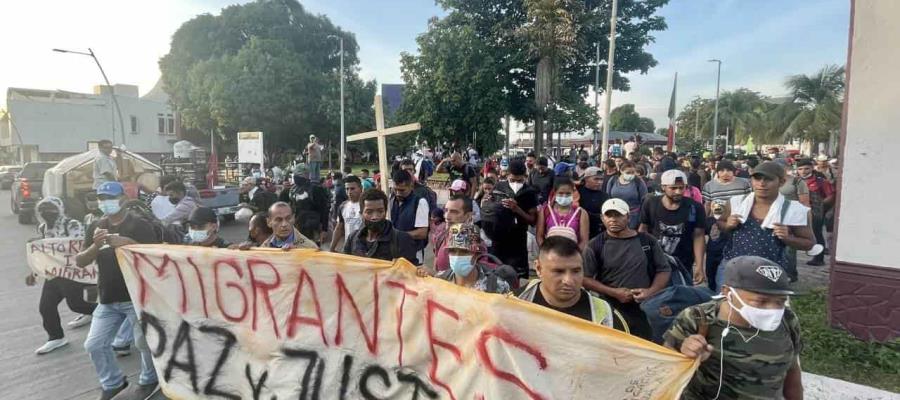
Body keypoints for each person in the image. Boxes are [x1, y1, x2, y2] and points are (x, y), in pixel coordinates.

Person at [664, 256, 803, 400]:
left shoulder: (787, 320)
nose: (772, 309)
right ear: (727, 292)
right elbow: (662, 369)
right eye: (761, 301)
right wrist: (685, 356)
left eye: (780, 302)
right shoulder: (696, 318)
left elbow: (792, 371)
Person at [75, 182, 159, 400]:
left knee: (144, 343)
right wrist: (95, 245)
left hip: (136, 296)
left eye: (110, 198)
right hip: (108, 297)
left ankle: (150, 379)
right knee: (94, 344)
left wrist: (128, 243)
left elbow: (155, 257)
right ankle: (113, 382)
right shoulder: (96, 226)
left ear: (122, 198)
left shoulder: (138, 224)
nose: (105, 203)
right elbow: (80, 261)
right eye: (101, 198)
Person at [715, 162, 816, 288]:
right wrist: (728, 225)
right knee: (726, 304)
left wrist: (788, 238)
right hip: (733, 268)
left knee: (764, 305)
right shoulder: (736, 203)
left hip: (769, 272)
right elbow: (720, 223)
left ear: (782, 182)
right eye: (757, 178)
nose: (762, 183)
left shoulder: (793, 209)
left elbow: (809, 243)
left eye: (768, 179)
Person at [582, 198, 671, 341]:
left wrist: (650, 291)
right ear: (602, 218)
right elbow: (585, 278)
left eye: (618, 215)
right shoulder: (595, 245)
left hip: (645, 308)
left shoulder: (647, 241)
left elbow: (663, 270)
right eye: (609, 215)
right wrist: (613, 292)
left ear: (628, 217)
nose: (613, 220)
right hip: (611, 309)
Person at [25, 197, 92, 354]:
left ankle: (113, 314)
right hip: (53, 274)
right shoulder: (42, 228)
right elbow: (44, 254)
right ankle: (56, 337)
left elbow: (79, 247)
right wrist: (34, 273)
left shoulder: (72, 225)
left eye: (50, 210)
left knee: (76, 305)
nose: (46, 213)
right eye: (42, 211)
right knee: (46, 307)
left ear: (59, 209)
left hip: (72, 272)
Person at [517, 235, 626, 330]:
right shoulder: (512, 305)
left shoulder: (607, 317)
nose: (568, 281)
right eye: (558, 271)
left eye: (576, 271)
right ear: (538, 268)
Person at [640, 170, 707, 285]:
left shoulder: (694, 207)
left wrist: (699, 266)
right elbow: (643, 230)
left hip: (683, 264)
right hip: (655, 263)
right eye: (673, 188)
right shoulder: (651, 203)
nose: (678, 191)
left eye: (682, 188)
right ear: (663, 187)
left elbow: (699, 236)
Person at [481, 159, 538, 279]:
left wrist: (517, 209)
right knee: (496, 276)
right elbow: (489, 208)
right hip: (498, 241)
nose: (516, 184)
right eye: (512, 180)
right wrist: (487, 203)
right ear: (507, 175)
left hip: (517, 242)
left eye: (519, 181)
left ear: (525, 177)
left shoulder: (530, 193)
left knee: (516, 278)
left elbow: (532, 221)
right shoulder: (499, 187)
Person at [344, 189, 418, 263]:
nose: (375, 217)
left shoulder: (402, 240)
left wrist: (421, 271)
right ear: (361, 214)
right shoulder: (353, 238)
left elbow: (411, 271)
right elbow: (344, 266)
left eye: (380, 211)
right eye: (369, 212)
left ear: (385, 212)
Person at [436, 223, 511, 294]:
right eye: (453, 251)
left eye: (464, 252)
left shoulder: (497, 287)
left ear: (476, 255)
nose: (457, 256)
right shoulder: (440, 280)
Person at [795, 158, 834, 266]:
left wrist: (821, 206)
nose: (803, 171)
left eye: (807, 168)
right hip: (797, 212)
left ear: (812, 168)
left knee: (816, 234)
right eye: (800, 169)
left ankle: (819, 258)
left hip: (815, 213)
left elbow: (831, 196)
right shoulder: (794, 181)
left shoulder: (821, 181)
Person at [280, 166, 331, 245]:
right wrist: (284, 190)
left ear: (306, 175)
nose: (295, 177)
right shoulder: (292, 189)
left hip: (313, 227)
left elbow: (324, 209)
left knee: (312, 250)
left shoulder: (315, 189)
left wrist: (324, 229)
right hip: (296, 227)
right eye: (295, 175)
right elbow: (281, 204)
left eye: (298, 175)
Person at [536, 177, 589, 250]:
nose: (564, 196)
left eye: (568, 193)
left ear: (573, 193)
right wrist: (546, 253)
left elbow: (584, 241)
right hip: (549, 256)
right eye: (560, 193)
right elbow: (539, 236)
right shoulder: (545, 210)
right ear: (554, 192)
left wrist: (574, 256)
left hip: (572, 257)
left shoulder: (581, 213)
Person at [389, 170, 430, 265]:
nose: (398, 193)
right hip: (394, 254)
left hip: (413, 254)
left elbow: (422, 233)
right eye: (395, 189)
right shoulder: (392, 200)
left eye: (402, 190)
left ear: (411, 186)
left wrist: (397, 236)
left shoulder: (420, 202)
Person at [605, 161, 648, 229]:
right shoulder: (613, 180)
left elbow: (644, 200)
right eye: (628, 173)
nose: (631, 175)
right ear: (621, 171)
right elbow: (607, 197)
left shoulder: (639, 182)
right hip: (615, 215)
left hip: (633, 217)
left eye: (633, 173)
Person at [329, 175, 363, 252]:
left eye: (352, 188)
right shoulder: (343, 206)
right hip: (348, 248)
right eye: (347, 189)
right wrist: (331, 248)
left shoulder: (367, 206)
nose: (349, 192)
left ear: (361, 188)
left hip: (363, 249)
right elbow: (338, 228)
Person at [576, 167, 609, 239]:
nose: (600, 182)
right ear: (586, 179)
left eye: (601, 179)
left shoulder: (605, 196)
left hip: (597, 233)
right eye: (596, 179)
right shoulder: (577, 192)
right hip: (578, 231)